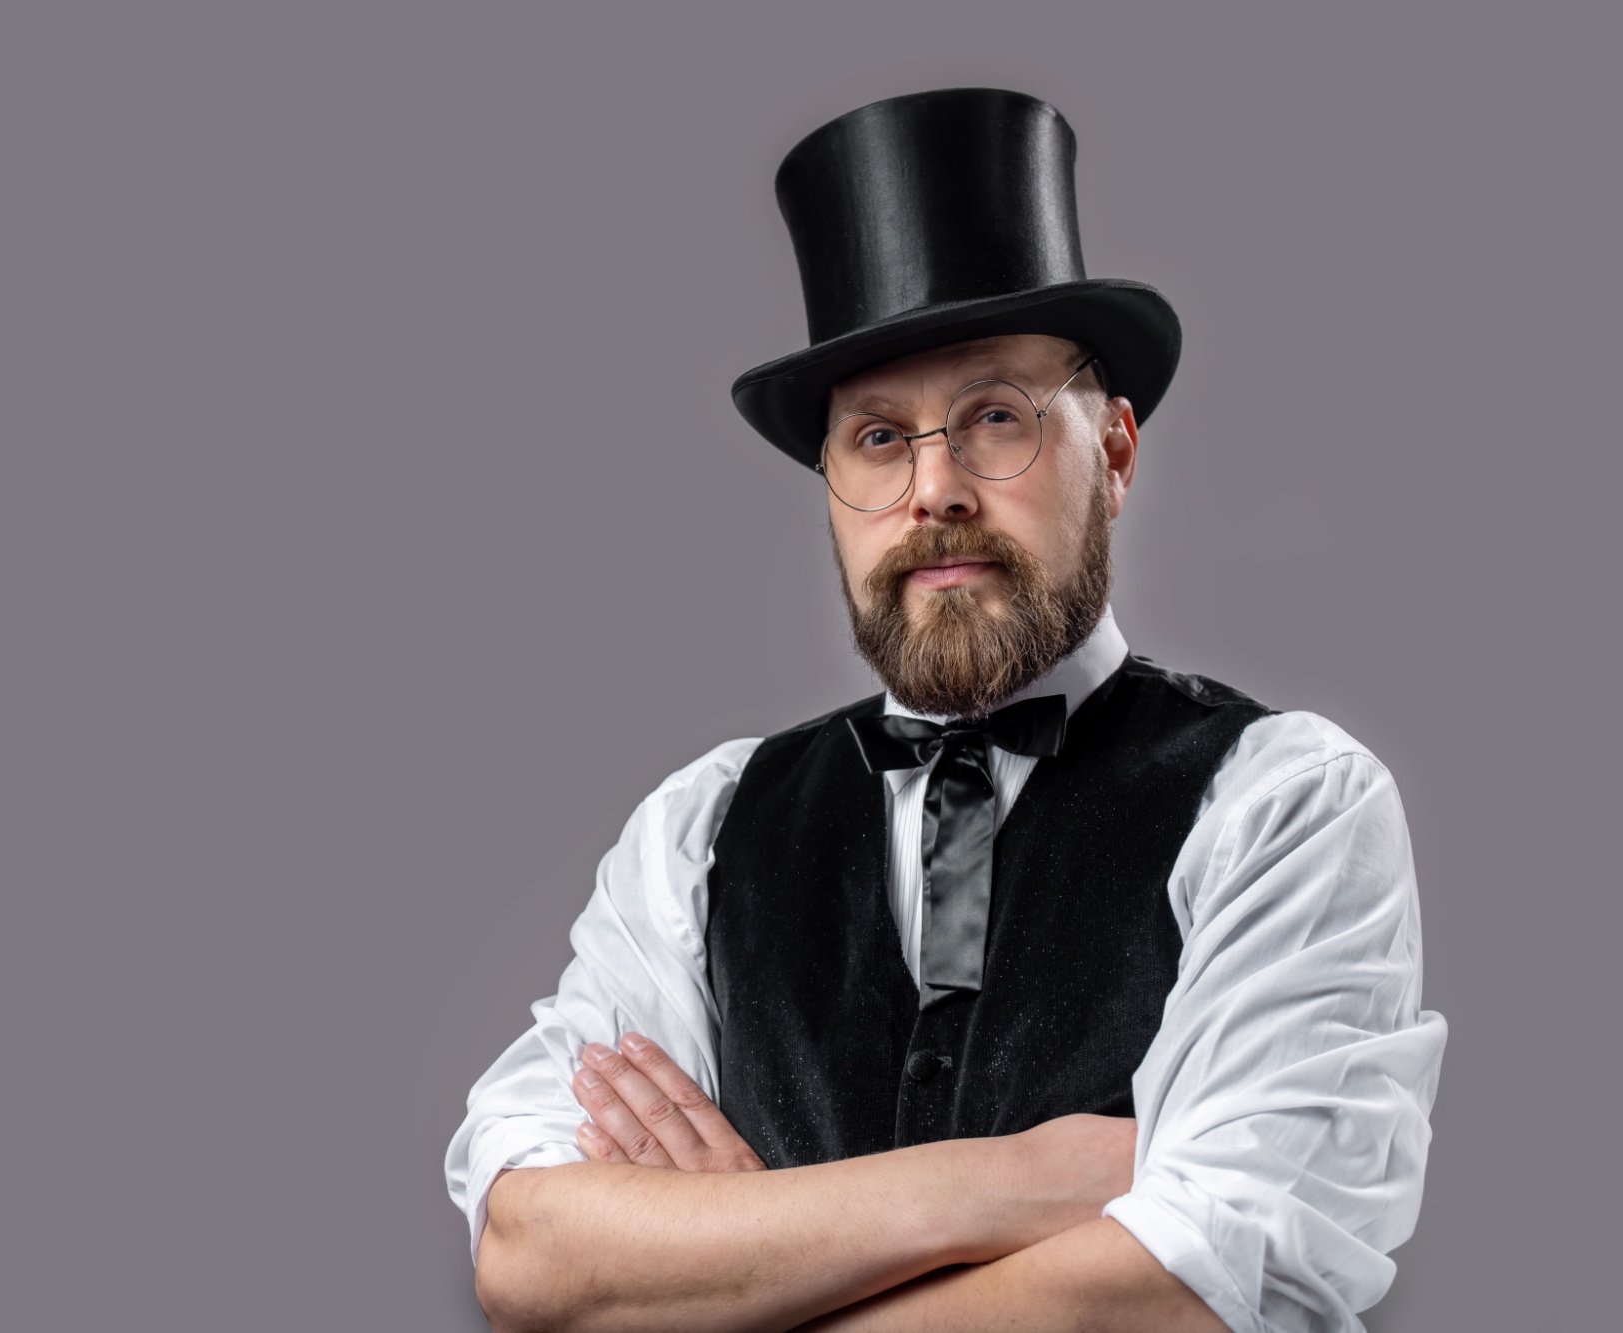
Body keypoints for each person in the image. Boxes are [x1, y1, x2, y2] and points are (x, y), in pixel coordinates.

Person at [444, 87, 1446, 1333]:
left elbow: (1210, 1282)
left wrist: (730, 1279)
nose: (935, 491)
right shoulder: (696, 833)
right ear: (830, 485)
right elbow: (530, 1252)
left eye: (994, 419)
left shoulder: (1284, 804)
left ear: (1114, 452)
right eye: (877, 437)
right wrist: (1019, 1184)